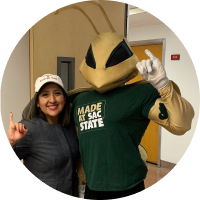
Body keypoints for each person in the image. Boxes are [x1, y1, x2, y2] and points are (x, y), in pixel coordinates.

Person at [8, 74, 80, 197]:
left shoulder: (70, 125)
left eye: (57, 93)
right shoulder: (27, 129)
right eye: (45, 94)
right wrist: (11, 142)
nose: (52, 100)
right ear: (37, 102)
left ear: (64, 98)